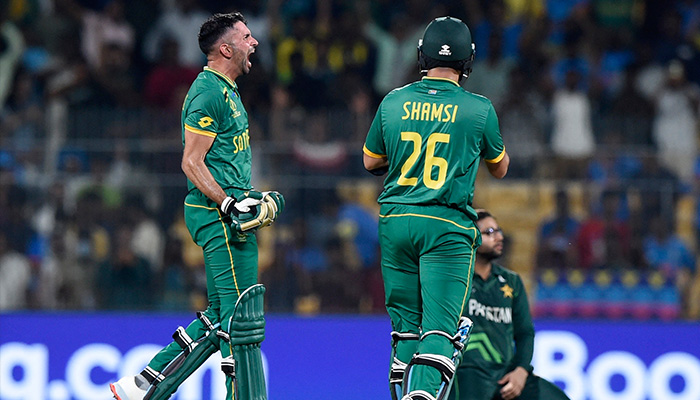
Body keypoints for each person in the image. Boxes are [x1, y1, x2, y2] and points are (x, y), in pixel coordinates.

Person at [110, 12, 284, 400]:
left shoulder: (226, 90)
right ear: (226, 48)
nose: (254, 43)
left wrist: (249, 196)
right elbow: (191, 160)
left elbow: (223, 162)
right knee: (242, 321)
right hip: (219, 215)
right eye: (246, 37)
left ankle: (144, 385)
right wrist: (229, 205)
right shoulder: (207, 91)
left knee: (226, 318)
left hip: (227, 211)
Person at [362, 16, 510, 400]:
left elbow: (370, 161)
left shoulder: (393, 100)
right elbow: (500, 166)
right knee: (441, 331)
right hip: (445, 227)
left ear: (421, 56)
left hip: (396, 221)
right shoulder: (478, 109)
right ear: (468, 61)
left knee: (406, 331)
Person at [448, 210, 570, 400]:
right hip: (467, 371)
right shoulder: (455, 279)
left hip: (505, 373)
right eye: (489, 232)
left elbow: (525, 333)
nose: (499, 237)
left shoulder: (511, 281)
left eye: (499, 231)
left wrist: (521, 371)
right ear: (471, 237)